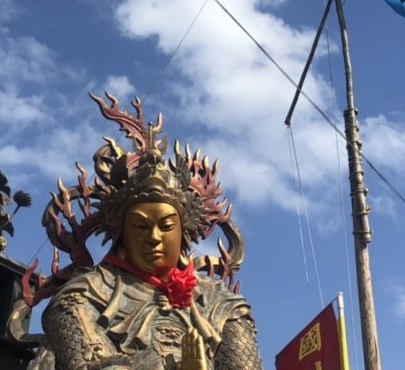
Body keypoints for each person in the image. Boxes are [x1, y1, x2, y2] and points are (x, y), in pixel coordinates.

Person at [39, 99, 262, 370]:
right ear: (122, 232)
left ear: (184, 232)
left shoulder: (224, 307)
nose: (154, 237)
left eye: (166, 226)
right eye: (141, 227)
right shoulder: (82, 296)